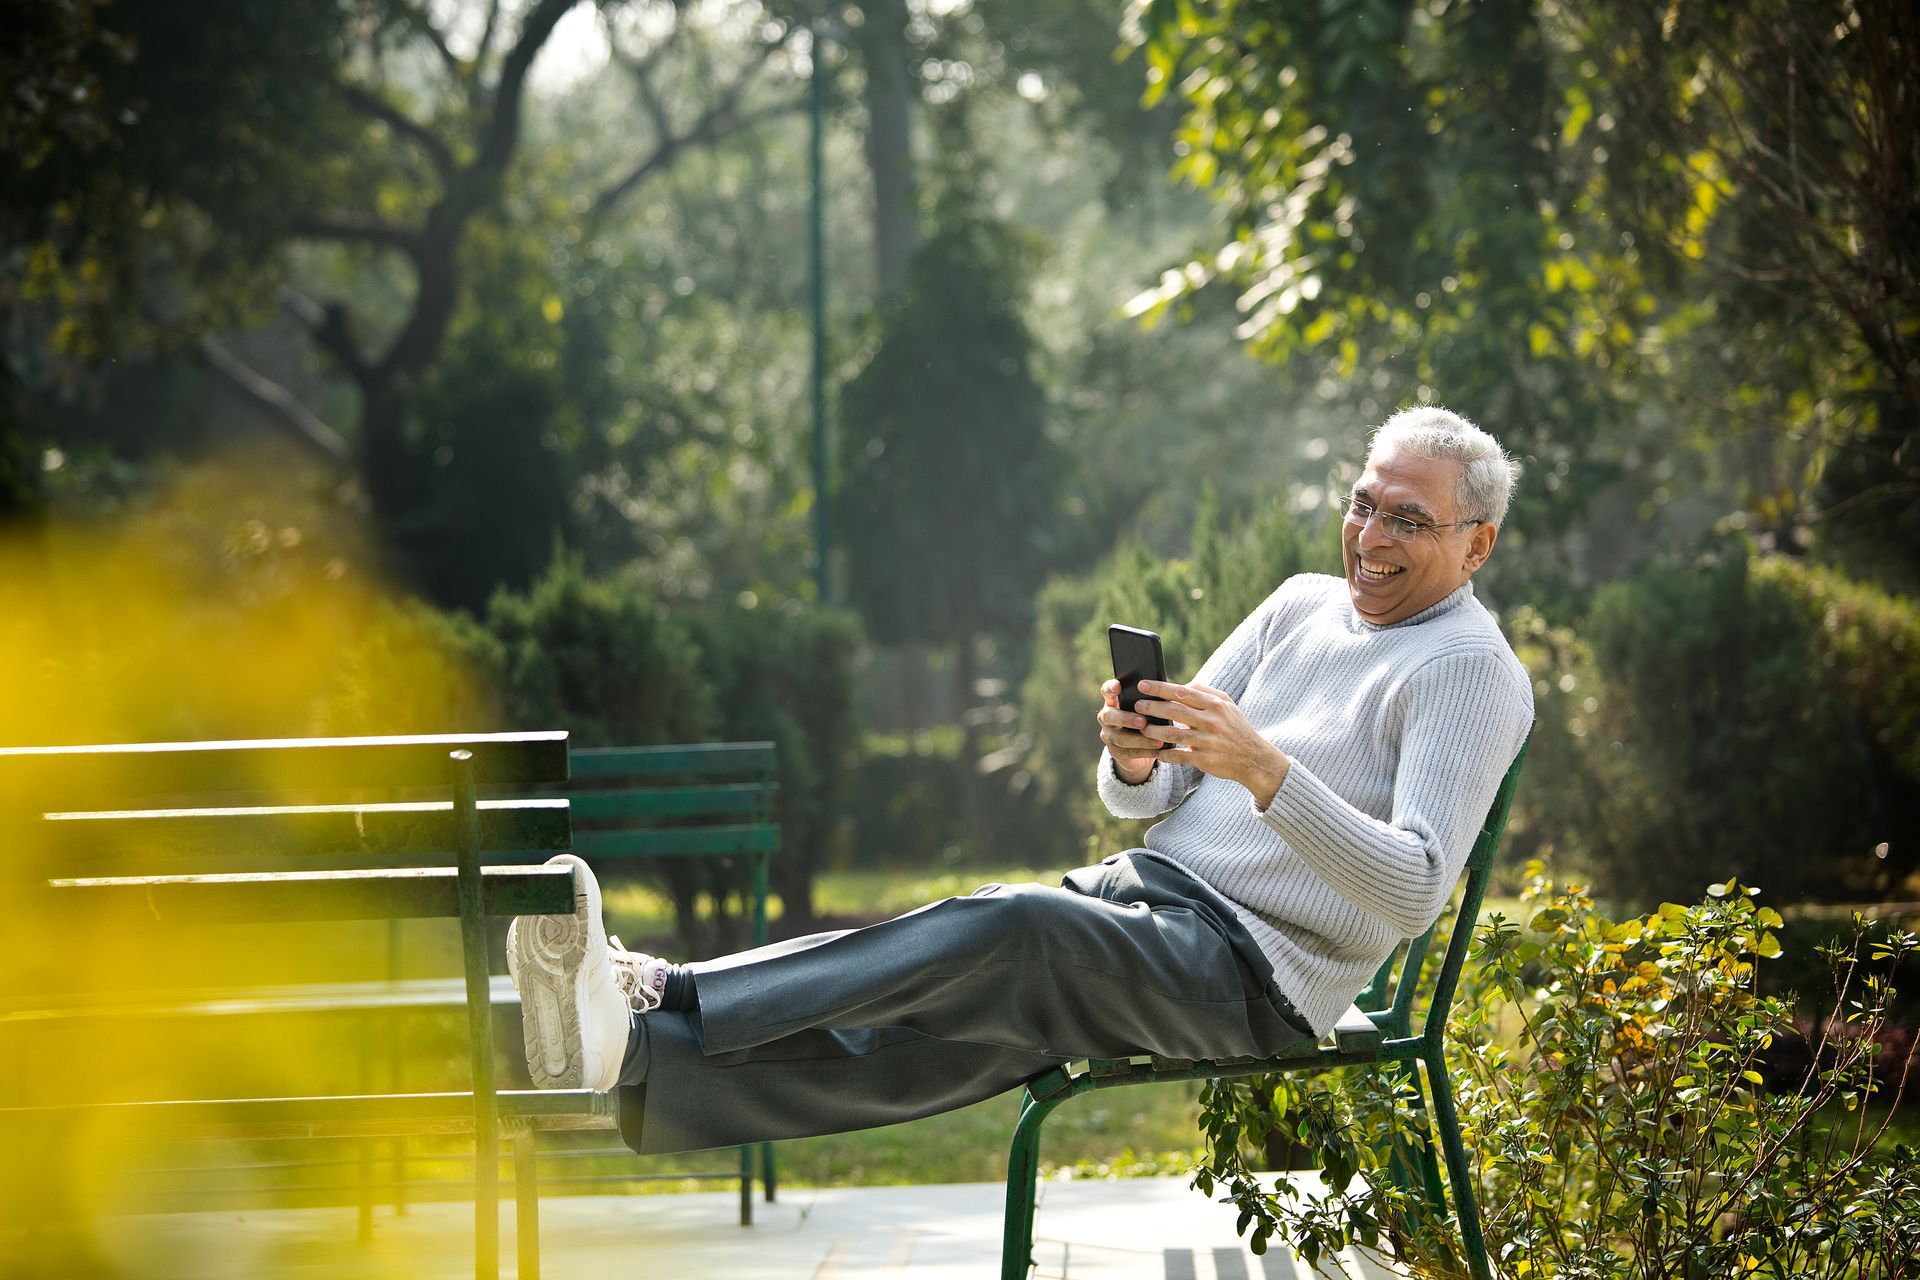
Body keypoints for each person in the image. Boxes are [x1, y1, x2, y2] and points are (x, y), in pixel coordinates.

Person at [505, 405, 1535, 1156]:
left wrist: (1268, 771)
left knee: (1010, 928)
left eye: (1409, 519)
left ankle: (666, 988)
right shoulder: (1300, 602)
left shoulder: (1469, 671)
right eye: (1364, 504)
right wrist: (1136, 753)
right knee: (953, 1029)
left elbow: (1413, 890)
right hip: (1155, 903)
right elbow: (1140, 800)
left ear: (1475, 543)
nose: (1371, 535)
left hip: (1256, 977)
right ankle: (635, 1058)